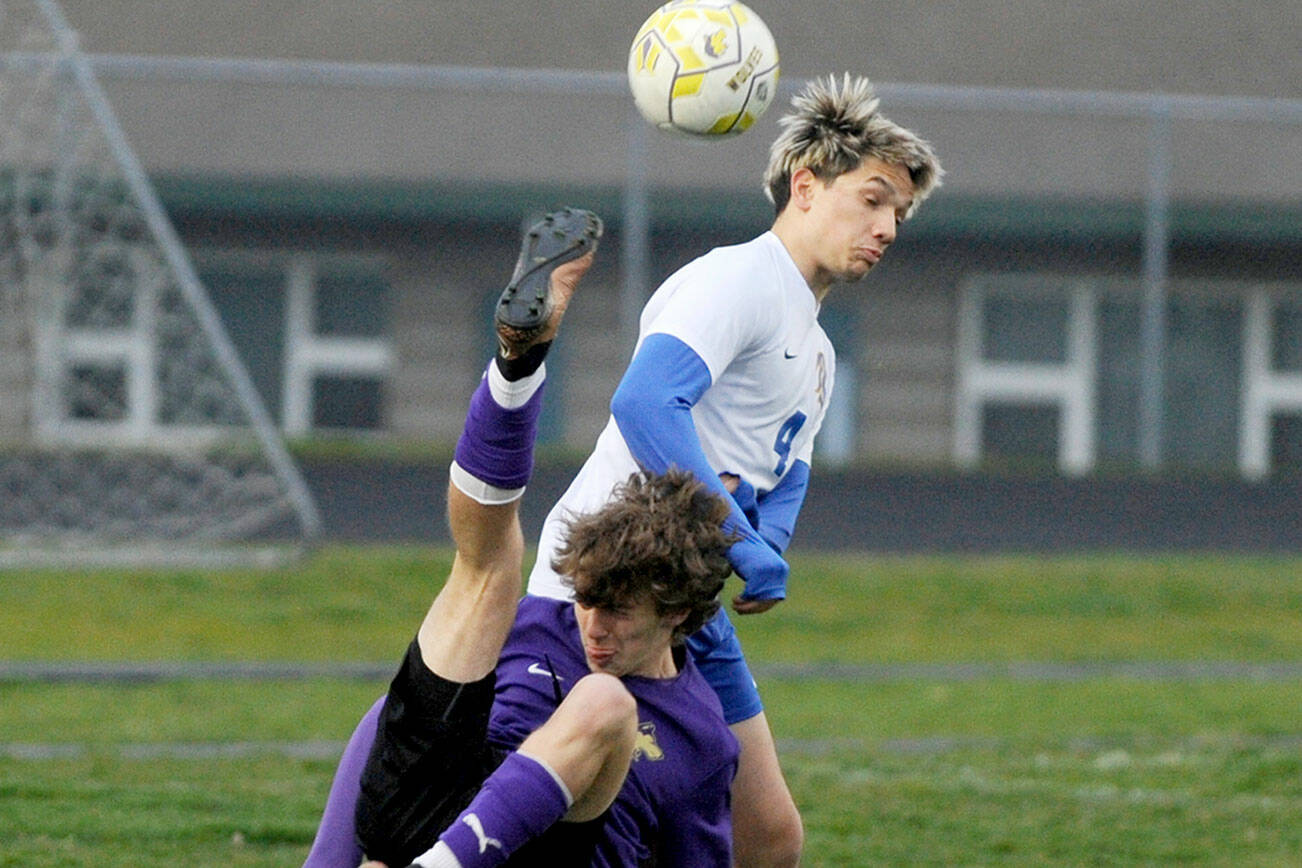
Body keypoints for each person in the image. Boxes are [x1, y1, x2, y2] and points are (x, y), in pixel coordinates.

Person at [525, 73, 944, 866]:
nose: (887, 227)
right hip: (601, 596)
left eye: (899, 213)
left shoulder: (817, 346)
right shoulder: (738, 279)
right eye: (873, 199)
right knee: (594, 834)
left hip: (688, 605)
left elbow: (787, 466)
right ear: (807, 185)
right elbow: (647, 403)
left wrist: (768, 543)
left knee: (769, 836)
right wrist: (737, 539)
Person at [305, 207, 741, 868]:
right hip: (435, 810)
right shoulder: (542, 623)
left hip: (547, 851)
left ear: (677, 611)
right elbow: (386, 728)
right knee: (488, 571)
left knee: (602, 703)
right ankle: (516, 370)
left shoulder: (700, 736)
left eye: (617, 611)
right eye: (586, 598)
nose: (589, 625)